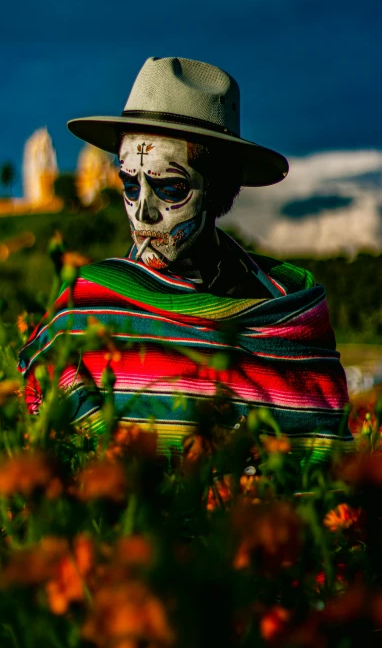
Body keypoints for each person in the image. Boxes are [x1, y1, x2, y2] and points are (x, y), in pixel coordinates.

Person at [19, 56, 352, 464]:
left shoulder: (288, 314)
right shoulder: (87, 310)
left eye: (170, 189)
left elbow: (324, 466)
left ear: (218, 187)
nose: (142, 212)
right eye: (129, 185)